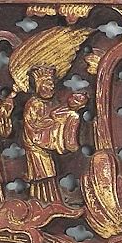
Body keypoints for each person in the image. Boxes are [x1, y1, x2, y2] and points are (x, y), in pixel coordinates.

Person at [21, 67, 85, 203]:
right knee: (42, 175)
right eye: (47, 85)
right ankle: (41, 201)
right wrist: (54, 120)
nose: (51, 88)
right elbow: (33, 126)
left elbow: (54, 116)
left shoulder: (49, 103)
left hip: (43, 145)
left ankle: (50, 201)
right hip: (36, 146)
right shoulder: (33, 104)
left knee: (49, 173)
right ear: (38, 86)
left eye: (52, 86)